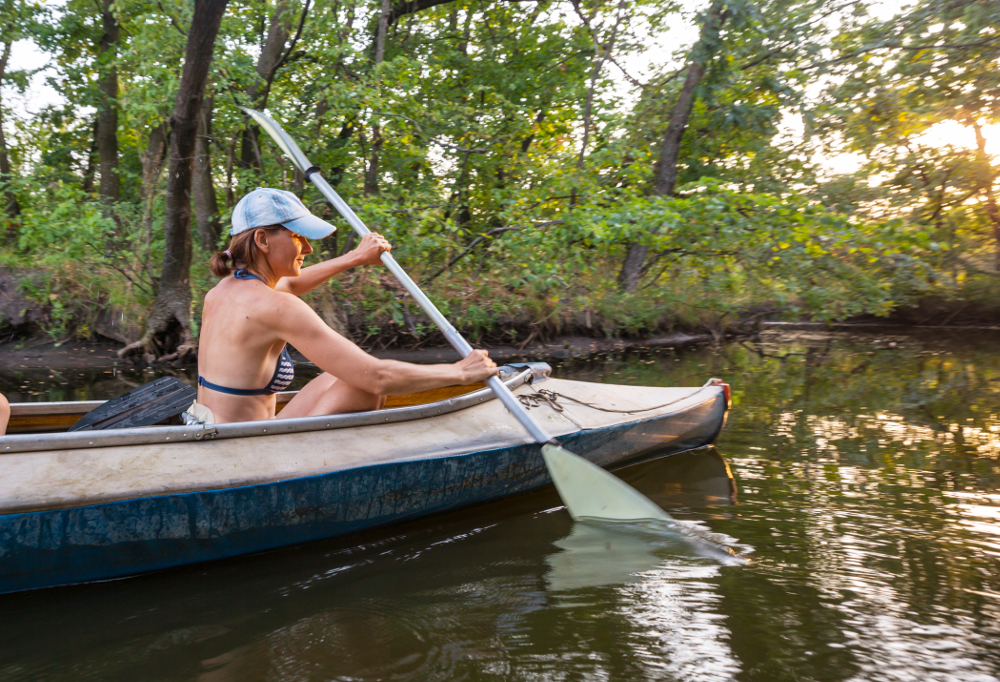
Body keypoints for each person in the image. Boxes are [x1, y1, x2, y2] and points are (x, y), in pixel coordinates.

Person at [197, 187, 497, 424]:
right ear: (262, 239)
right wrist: (461, 372)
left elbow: (291, 284)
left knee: (336, 376)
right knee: (364, 383)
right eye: (298, 237)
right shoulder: (277, 307)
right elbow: (378, 377)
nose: (309, 248)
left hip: (221, 433)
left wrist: (356, 257)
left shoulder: (224, 291)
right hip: (244, 450)